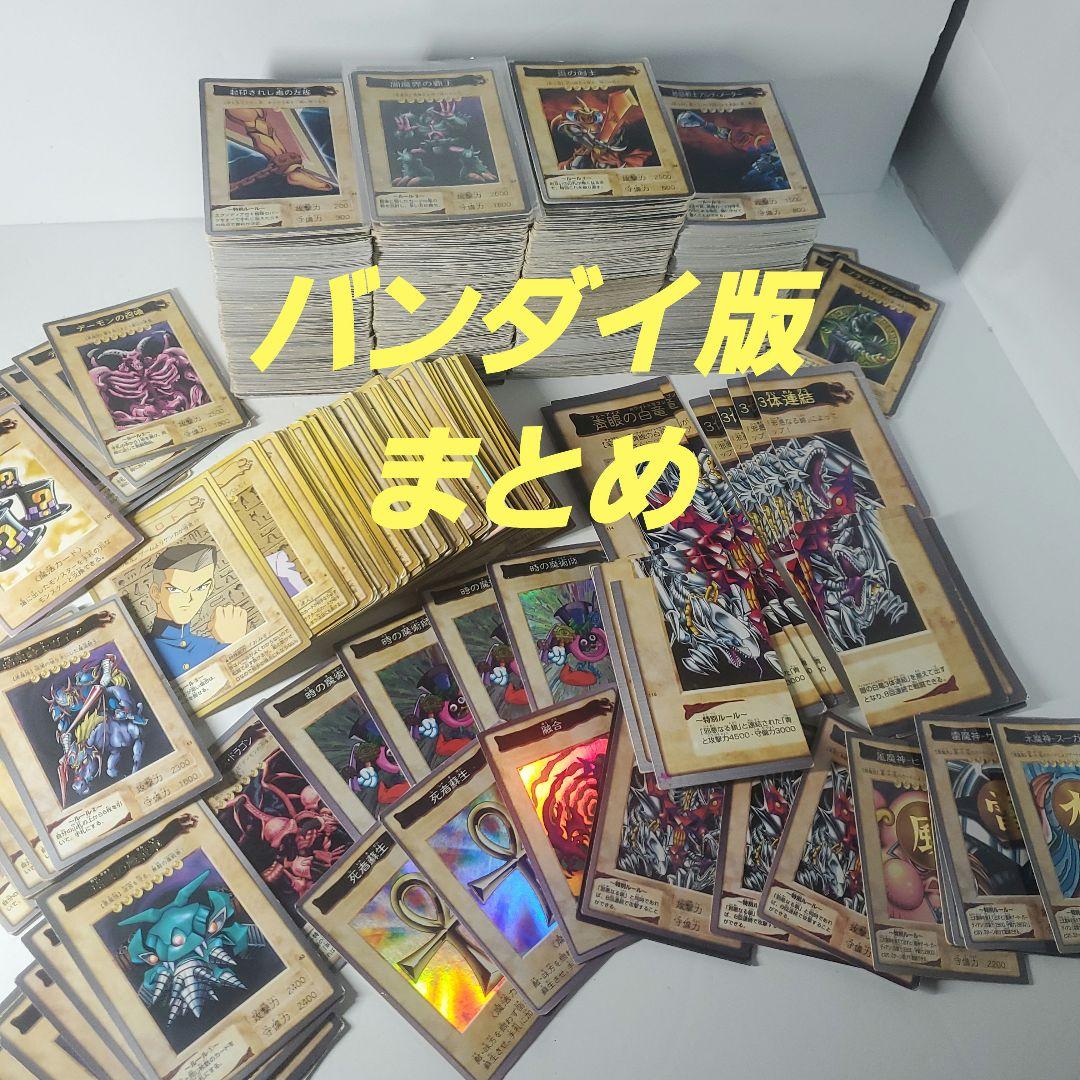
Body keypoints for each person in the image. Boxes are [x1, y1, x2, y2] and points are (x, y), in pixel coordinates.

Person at [147, 544, 249, 678]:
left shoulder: (214, 645)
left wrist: (232, 643)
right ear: (156, 593)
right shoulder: (142, 651)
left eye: (201, 588)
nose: (189, 599)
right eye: (175, 589)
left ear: (210, 588)